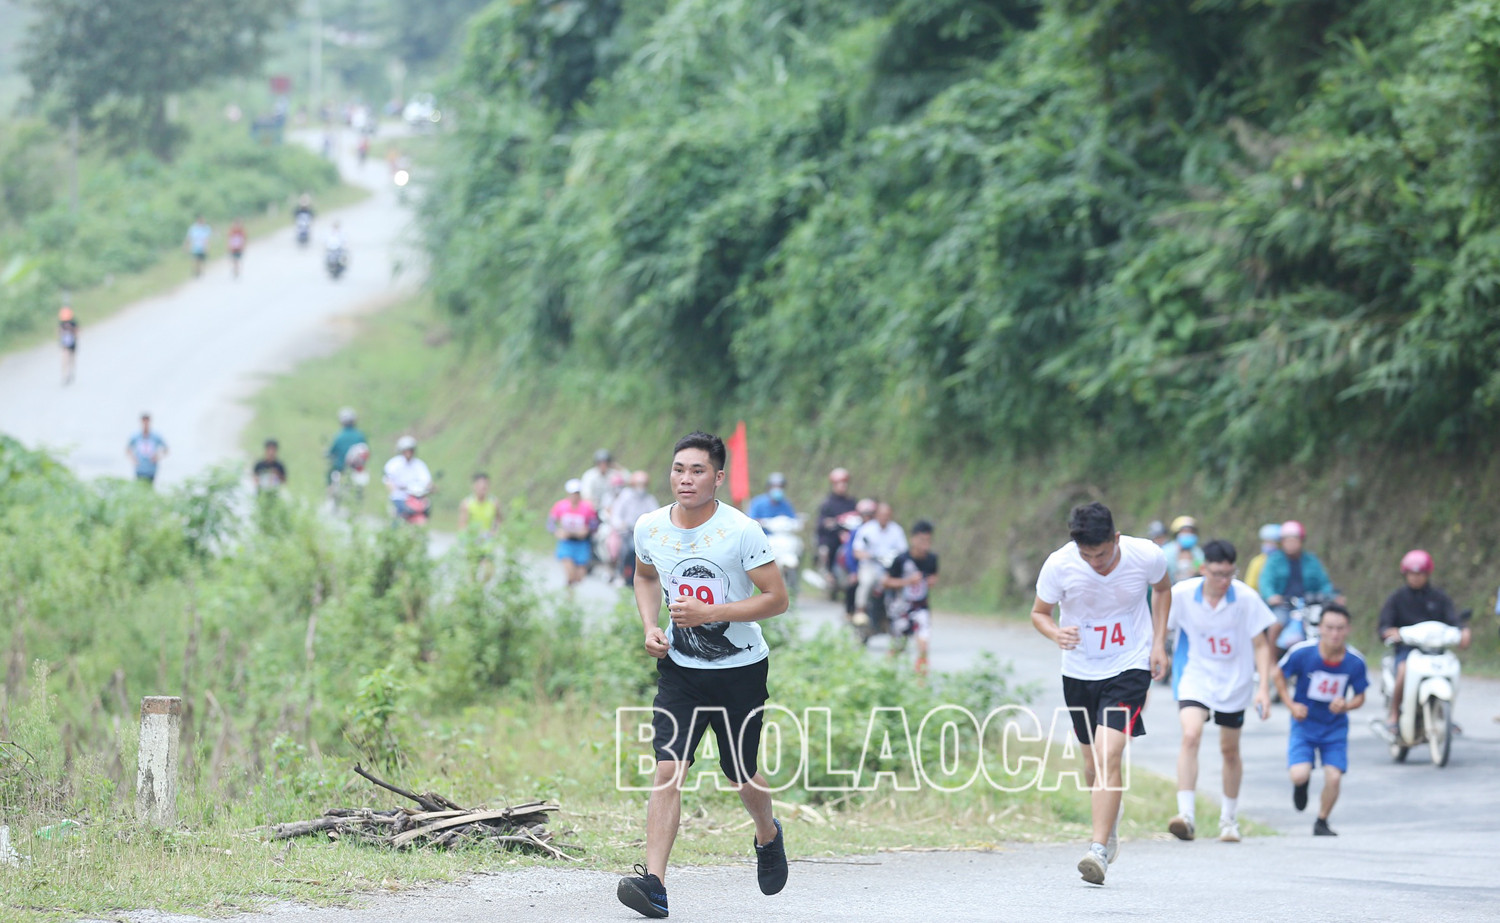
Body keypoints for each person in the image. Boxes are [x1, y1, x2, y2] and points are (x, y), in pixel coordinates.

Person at [616, 432, 789, 919]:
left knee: (741, 774)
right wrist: (652, 626)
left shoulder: (742, 531)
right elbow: (646, 576)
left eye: (696, 471)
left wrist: (718, 614)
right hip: (681, 671)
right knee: (668, 769)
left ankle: (767, 834)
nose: (685, 479)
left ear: (717, 477)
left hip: (741, 670)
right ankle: (654, 884)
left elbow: (777, 599)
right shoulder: (650, 526)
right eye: (678, 469)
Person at [1031, 501, 1170, 886]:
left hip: (1130, 666)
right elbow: (1039, 612)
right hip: (1079, 671)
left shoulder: (1146, 555)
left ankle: (1097, 851)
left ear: (1117, 538)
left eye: (1103, 553)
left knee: (1111, 752)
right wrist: (1055, 632)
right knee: (1092, 767)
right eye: (1087, 555)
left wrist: (1158, 643)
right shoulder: (1059, 564)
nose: (1096, 562)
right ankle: (1108, 825)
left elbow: (1162, 590)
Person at [1166, 539, 1276, 844]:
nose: (1223, 581)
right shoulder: (1183, 595)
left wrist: (1263, 688)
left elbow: (1261, 645)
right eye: (1217, 574)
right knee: (1191, 735)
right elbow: (1159, 626)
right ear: (1204, 569)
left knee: (1229, 750)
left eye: (1229, 574)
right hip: (1195, 675)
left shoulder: (1245, 598)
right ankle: (1185, 816)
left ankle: (1229, 819)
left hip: (1235, 680)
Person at [1273, 604, 1367, 836]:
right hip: (1304, 724)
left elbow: (1360, 696)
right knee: (1299, 774)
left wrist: (1346, 705)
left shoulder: (1355, 661)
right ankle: (1301, 785)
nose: (1335, 634)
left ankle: (1321, 821)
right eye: (1330, 628)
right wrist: (1291, 705)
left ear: (1348, 630)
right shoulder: (1302, 653)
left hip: (1334, 727)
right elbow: (1278, 675)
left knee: (1334, 777)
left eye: (1340, 629)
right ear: (1320, 629)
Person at [1378, 550, 1471, 733]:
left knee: (1451, 668)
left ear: (1427, 574)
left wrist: (1463, 630)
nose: (1415, 578)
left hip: (1436, 650)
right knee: (1403, 670)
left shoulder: (1439, 597)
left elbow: (1453, 620)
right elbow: (1384, 625)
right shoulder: (1397, 598)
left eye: (1419, 573)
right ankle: (1394, 713)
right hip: (1407, 650)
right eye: (1412, 574)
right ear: (1405, 574)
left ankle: (1445, 714)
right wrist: (1389, 632)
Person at [1259, 520, 1342, 643]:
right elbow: (1266, 581)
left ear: (1301, 541)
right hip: (1284, 605)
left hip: (1308, 605)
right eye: (1287, 540)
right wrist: (1271, 596)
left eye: (1294, 540)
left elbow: (1324, 583)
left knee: (1327, 625)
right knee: (1276, 625)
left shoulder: (1311, 560)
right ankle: (1270, 660)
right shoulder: (1274, 561)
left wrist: (1332, 596)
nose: (1291, 544)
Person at [884, 520, 939, 675]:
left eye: (928, 541)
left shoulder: (932, 559)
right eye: (922, 540)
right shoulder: (901, 559)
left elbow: (934, 577)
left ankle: (920, 682)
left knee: (923, 646)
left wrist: (931, 581)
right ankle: (886, 675)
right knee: (898, 646)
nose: (925, 545)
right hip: (901, 607)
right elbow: (886, 581)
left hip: (921, 607)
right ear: (913, 539)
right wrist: (907, 581)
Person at [851, 501, 907, 628]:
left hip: (888, 569)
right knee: (866, 582)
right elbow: (857, 551)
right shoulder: (867, 529)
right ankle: (860, 611)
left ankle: (900, 613)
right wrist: (870, 556)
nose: (884, 517)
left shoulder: (896, 531)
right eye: (882, 514)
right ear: (876, 515)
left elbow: (903, 552)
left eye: (887, 515)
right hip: (870, 566)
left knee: (899, 584)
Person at [609, 470, 660, 586]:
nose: (641, 488)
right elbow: (616, 514)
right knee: (621, 549)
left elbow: (656, 514)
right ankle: (620, 573)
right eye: (639, 484)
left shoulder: (649, 499)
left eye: (643, 485)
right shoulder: (625, 496)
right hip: (626, 532)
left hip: (642, 533)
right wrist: (620, 524)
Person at [549, 479, 598, 588]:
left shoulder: (587, 508)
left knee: (579, 577)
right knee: (570, 573)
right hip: (566, 543)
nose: (574, 496)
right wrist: (556, 531)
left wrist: (588, 530)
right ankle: (568, 595)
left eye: (577, 494)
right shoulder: (560, 506)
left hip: (582, 544)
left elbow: (594, 524)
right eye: (572, 494)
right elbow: (551, 523)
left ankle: (571, 590)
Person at [815, 467, 857, 581]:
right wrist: (829, 523)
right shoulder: (828, 503)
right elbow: (821, 523)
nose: (843, 486)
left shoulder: (851, 501)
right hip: (831, 536)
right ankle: (828, 572)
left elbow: (856, 516)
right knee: (828, 548)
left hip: (847, 534)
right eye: (839, 483)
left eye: (844, 483)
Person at [382, 435, 433, 521]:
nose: (408, 453)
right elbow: (388, 479)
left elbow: (427, 480)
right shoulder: (394, 464)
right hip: (400, 496)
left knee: (426, 508)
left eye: (410, 450)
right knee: (399, 515)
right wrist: (393, 490)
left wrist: (429, 487)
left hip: (416, 496)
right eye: (406, 450)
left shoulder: (419, 464)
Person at [1159, 515, 1204, 584]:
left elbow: (1199, 567)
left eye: (1191, 532)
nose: (1188, 534)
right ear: (1177, 533)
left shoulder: (1197, 552)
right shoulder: (1166, 552)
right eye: (1185, 531)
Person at [580, 448, 627, 513]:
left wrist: (618, 467)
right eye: (600, 463)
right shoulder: (589, 475)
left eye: (605, 463)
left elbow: (628, 479)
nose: (603, 465)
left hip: (614, 507)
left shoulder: (613, 473)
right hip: (596, 508)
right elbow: (586, 495)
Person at [126, 413, 168, 485]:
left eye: (147, 422)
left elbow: (166, 449)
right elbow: (128, 449)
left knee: (149, 487)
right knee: (139, 487)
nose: (145, 424)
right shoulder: (135, 436)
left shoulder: (156, 436)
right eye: (144, 422)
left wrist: (158, 457)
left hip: (151, 469)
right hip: (139, 468)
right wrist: (133, 459)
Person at [456, 472, 499, 543]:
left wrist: (495, 532)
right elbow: (462, 526)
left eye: (485, 486)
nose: (483, 489)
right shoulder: (467, 504)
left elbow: (499, 520)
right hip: (472, 538)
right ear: (474, 486)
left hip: (488, 538)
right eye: (480, 486)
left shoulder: (494, 503)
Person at [1243, 523, 1281, 593]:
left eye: (1272, 542)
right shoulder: (1257, 562)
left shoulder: (1284, 561)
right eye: (1266, 541)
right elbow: (1249, 586)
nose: (1269, 545)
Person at [57, 306, 78, 385]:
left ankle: (70, 372)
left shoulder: (73, 323)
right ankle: (65, 375)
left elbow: (76, 332)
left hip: (72, 343)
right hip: (65, 343)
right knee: (65, 359)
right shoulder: (61, 324)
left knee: (71, 358)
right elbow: (59, 333)